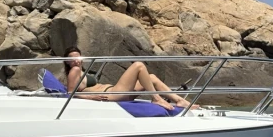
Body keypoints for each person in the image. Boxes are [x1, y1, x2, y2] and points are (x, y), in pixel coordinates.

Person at [63, 46, 194, 110]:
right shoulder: (74, 71)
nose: (76, 60)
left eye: (78, 57)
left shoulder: (82, 71)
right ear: (67, 61)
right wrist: (92, 97)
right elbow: (70, 93)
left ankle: (181, 101)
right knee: (138, 66)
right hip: (112, 95)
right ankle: (156, 98)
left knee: (152, 77)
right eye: (72, 58)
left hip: (115, 92)